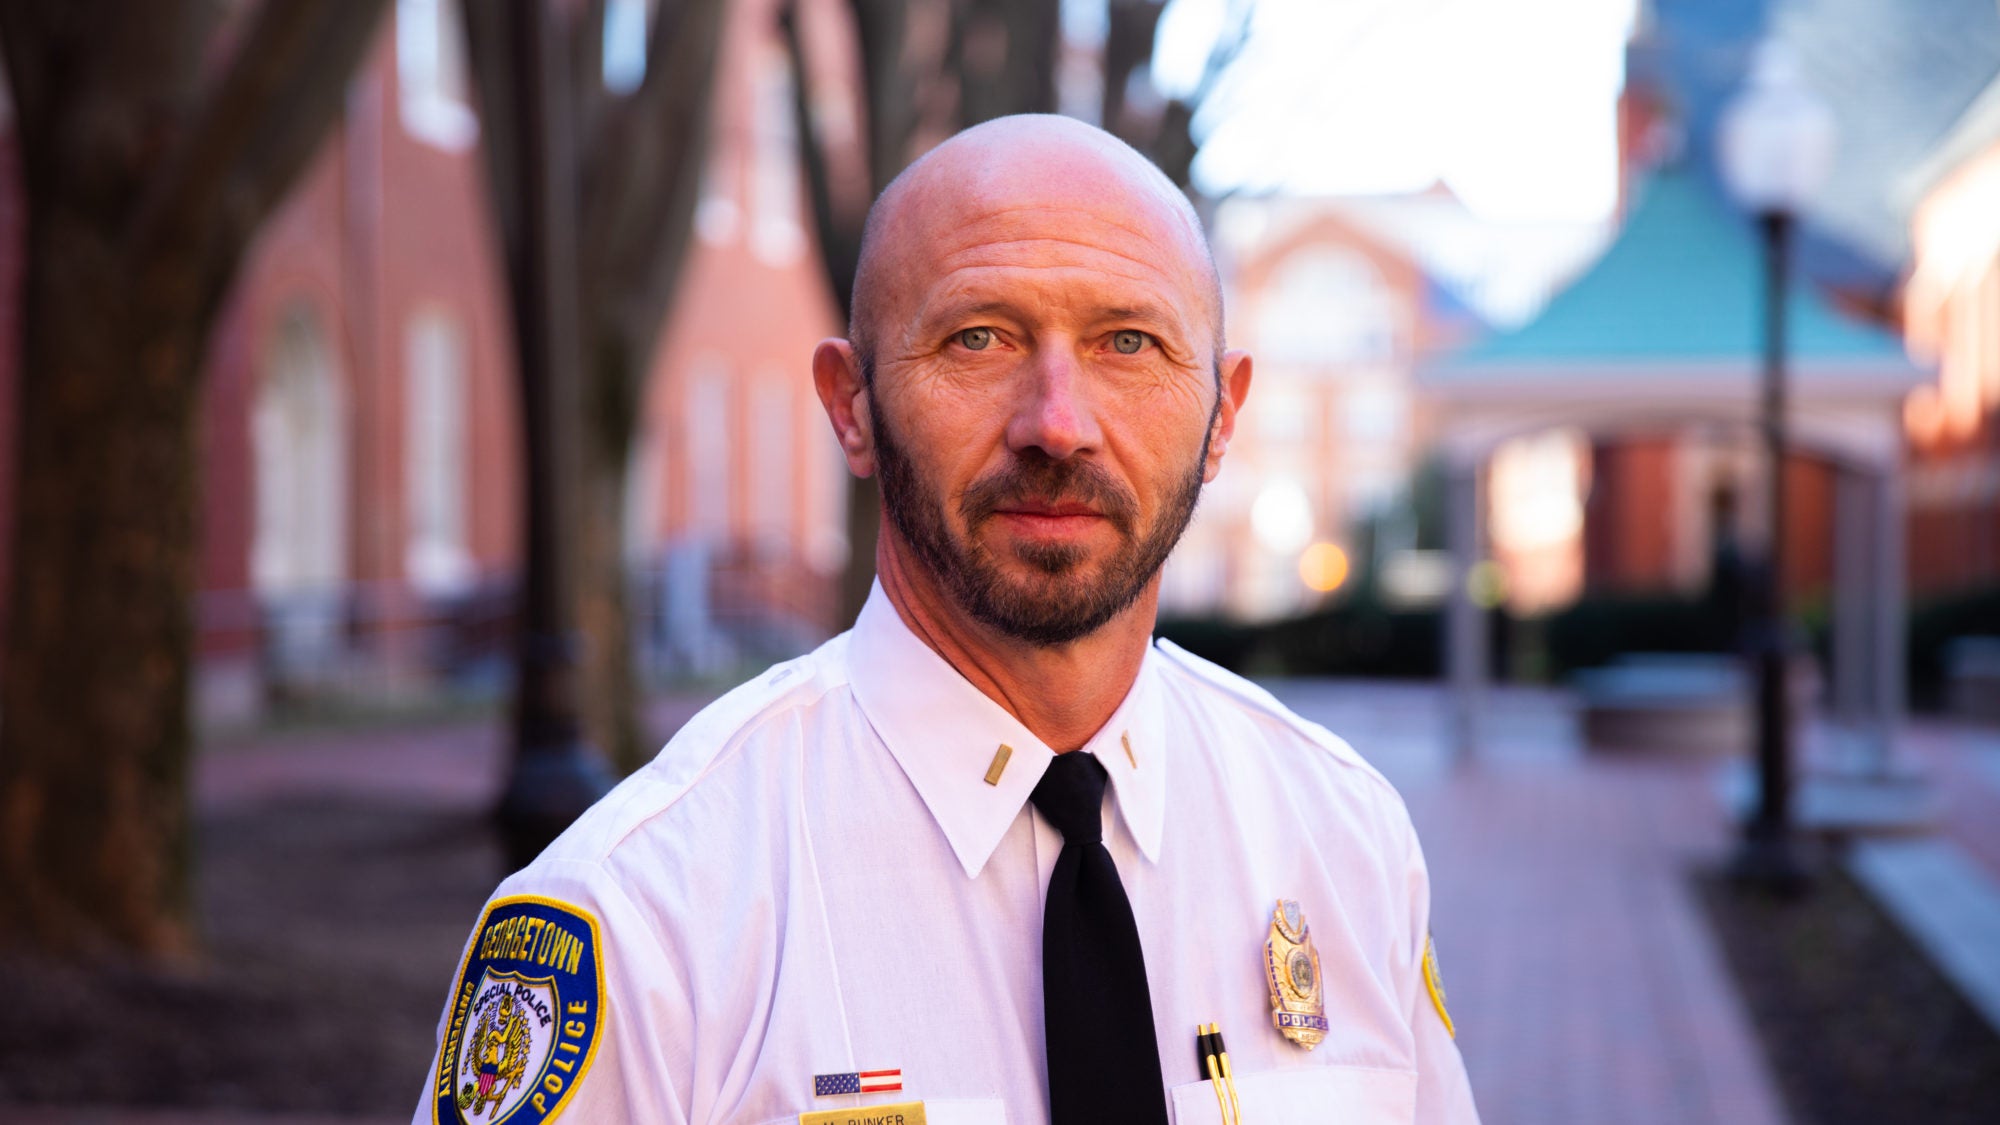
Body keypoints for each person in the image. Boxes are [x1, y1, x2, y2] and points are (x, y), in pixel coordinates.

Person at [414, 114, 1477, 1125]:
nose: (1057, 425)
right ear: (851, 406)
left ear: (1221, 418)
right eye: (977, 339)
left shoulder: (1345, 841)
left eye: (1129, 343)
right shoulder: (643, 915)